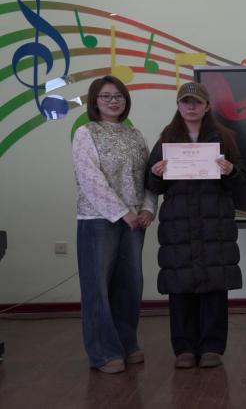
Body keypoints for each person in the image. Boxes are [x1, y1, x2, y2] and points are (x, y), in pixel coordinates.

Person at [146, 82, 244, 369]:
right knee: (180, 288)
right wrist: (156, 174)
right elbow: (152, 185)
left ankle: (212, 347)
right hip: (179, 226)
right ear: (178, 106)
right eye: (186, 102)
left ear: (207, 106)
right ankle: (184, 349)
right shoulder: (166, 140)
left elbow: (240, 179)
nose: (191, 107)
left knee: (215, 287)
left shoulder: (224, 138)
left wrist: (230, 171)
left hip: (216, 224)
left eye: (197, 102)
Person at [72, 75, 157, 374]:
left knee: (130, 285)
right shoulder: (86, 133)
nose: (113, 101)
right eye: (106, 96)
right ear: (95, 101)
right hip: (98, 219)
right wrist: (122, 212)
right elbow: (90, 179)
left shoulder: (135, 135)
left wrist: (148, 208)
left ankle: (126, 343)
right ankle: (103, 352)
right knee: (98, 287)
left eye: (118, 96)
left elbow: (149, 176)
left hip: (134, 222)